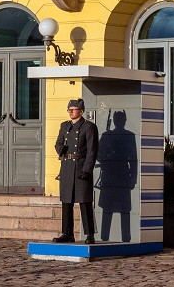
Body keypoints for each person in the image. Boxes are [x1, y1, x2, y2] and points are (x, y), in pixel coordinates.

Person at [53, 98, 99, 244]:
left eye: (73, 110)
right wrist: (61, 149)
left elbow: (92, 151)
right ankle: (67, 233)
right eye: (69, 110)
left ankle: (90, 234)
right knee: (66, 202)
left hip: (80, 167)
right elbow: (58, 143)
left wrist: (87, 169)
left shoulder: (88, 127)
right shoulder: (65, 126)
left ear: (81, 111)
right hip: (67, 167)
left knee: (84, 202)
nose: (71, 112)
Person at [96, 109, 138, 243]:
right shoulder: (108, 135)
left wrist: (133, 179)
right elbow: (98, 154)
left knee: (123, 211)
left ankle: (125, 238)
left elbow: (133, 159)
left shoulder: (126, 136)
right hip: (112, 175)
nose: (120, 122)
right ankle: (105, 238)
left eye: (121, 120)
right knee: (108, 211)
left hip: (120, 175)